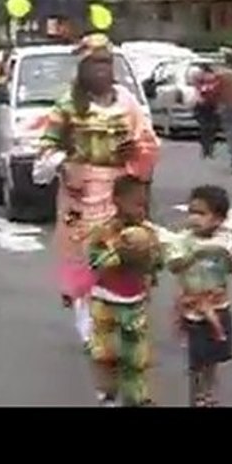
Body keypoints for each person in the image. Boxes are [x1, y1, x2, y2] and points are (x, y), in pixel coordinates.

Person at [34, 33, 160, 348]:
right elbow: (46, 150)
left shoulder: (128, 102)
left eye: (107, 63)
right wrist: (65, 165)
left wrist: (137, 152)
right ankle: (89, 329)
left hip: (121, 189)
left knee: (123, 253)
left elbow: (149, 141)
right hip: (81, 193)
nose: (103, 70)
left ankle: (123, 316)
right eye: (95, 64)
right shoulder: (67, 105)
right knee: (84, 259)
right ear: (83, 69)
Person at [85, 175, 164, 407]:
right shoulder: (103, 231)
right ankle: (107, 396)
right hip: (105, 301)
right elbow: (95, 262)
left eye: (145, 205)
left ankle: (137, 397)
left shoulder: (148, 231)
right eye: (137, 204)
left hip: (135, 301)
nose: (142, 210)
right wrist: (119, 252)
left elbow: (158, 263)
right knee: (106, 355)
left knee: (136, 356)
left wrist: (149, 256)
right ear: (117, 201)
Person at [167, 185, 232, 407]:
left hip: (219, 306)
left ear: (219, 219)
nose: (194, 218)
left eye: (201, 213)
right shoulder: (183, 239)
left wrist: (226, 255)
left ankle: (209, 393)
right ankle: (197, 395)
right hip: (193, 309)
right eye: (192, 211)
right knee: (197, 358)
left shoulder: (226, 240)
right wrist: (195, 254)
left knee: (214, 356)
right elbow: (174, 265)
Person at [194, 63, 219, 160]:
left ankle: (205, 150)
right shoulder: (215, 79)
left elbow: (197, 91)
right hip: (213, 105)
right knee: (212, 129)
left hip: (203, 104)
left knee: (204, 128)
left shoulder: (200, 79)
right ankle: (210, 149)